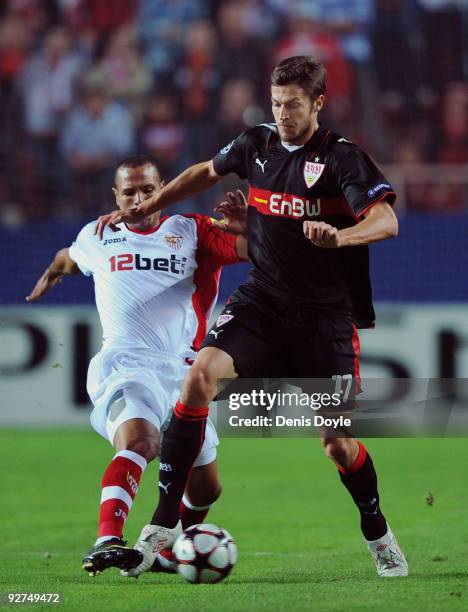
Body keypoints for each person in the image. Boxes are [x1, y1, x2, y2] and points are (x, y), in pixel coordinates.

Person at [95, 56, 408, 578]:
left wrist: (342, 235)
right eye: (277, 103)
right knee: (198, 379)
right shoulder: (256, 143)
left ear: (318, 104)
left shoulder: (342, 160)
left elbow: (386, 219)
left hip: (326, 321)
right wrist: (144, 209)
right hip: (263, 301)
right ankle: (162, 524)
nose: (282, 113)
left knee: (338, 443)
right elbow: (202, 173)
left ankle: (377, 533)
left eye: (293, 105)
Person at [26, 155, 248, 577]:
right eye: (129, 192)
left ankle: (164, 553)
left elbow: (258, 251)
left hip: (185, 374)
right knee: (141, 442)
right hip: (126, 363)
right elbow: (67, 257)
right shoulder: (98, 235)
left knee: (207, 487)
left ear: (164, 188)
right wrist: (52, 272)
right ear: (116, 195)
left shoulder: (191, 231)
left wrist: (247, 229)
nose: (139, 199)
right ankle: (108, 539)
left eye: (148, 189)